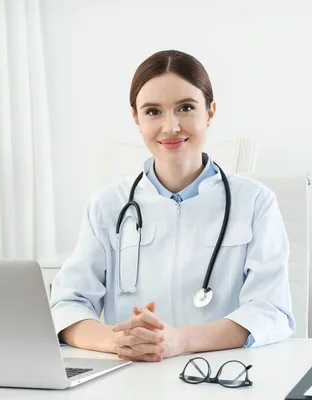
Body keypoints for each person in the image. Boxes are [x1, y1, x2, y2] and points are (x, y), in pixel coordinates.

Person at [50, 50, 295, 362]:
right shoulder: (108, 205)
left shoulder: (255, 201)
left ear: (210, 112)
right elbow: (67, 306)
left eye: (185, 108)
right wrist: (118, 341)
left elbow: (270, 310)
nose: (170, 127)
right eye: (153, 112)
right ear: (136, 119)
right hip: (129, 377)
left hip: (222, 374)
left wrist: (179, 340)